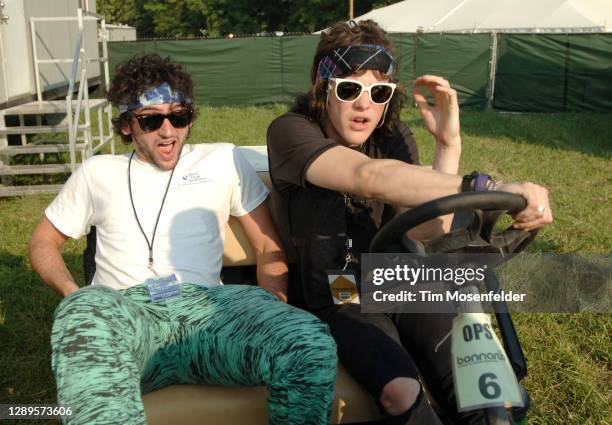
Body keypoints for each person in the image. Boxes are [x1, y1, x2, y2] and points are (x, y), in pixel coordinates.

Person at [267, 20, 553, 425]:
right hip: (341, 290)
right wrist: (487, 186)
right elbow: (368, 177)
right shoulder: (291, 133)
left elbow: (428, 233)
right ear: (323, 88)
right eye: (350, 89)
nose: (364, 106)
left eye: (379, 92)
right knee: (401, 391)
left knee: (488, 389)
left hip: (401, 278)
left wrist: (448, 146)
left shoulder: (393, 134)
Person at [28, 54, 337, 425]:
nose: (168, 131)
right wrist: (72, 293)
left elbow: (267, 246)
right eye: (151, 119)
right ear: (127, 125)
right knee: (85, 310)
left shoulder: (223, 159)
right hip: (128, 315)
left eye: (179, 116)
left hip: (211, 313)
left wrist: (271, 309)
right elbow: (42, 242)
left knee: (309, 342)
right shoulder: (97, 172)